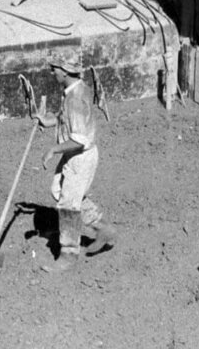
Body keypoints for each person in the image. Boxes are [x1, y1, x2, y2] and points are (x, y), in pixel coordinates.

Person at [33, 53, 116, 273]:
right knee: (59, 190)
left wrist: (53, 149)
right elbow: (65, 119)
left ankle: (68, 254)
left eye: (55, 69)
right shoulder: (73, 90)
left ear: (66, 71)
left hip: (80, 157)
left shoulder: (76, 98)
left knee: (68, 205)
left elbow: (79, 140)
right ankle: (103, 228)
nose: (52, 72)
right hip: (74, 154)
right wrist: (48, 120)